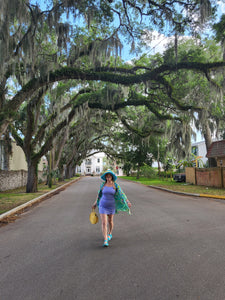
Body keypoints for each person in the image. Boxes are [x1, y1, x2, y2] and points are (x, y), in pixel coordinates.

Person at [92, 169, 132, 247]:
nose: (108, 178)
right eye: (107, 176)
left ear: (112, 177)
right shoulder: (103, 185)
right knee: (104, 223)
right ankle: (105, 239)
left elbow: (122, 194)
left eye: (109, 176)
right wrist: (95, 203)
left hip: (111, 206)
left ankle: (110, 233)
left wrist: (127, 201)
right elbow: (99, 195)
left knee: (110, 221)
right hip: (102, 205)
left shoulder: (115, 185)